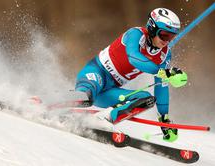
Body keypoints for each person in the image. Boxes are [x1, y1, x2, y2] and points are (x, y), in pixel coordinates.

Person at [75, 8, 187, 142]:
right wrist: (161, 71)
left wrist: (164, 119)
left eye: (172, 37)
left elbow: (161, 85)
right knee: (88, 91)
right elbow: (133, 57)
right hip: (96, 73)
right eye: (164, 35)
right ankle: (58, 105)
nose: (167, 41)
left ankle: (103, 119)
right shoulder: (135, 34)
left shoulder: (164, 55)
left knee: (146, 99)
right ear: (152, 28)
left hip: (109, 91)